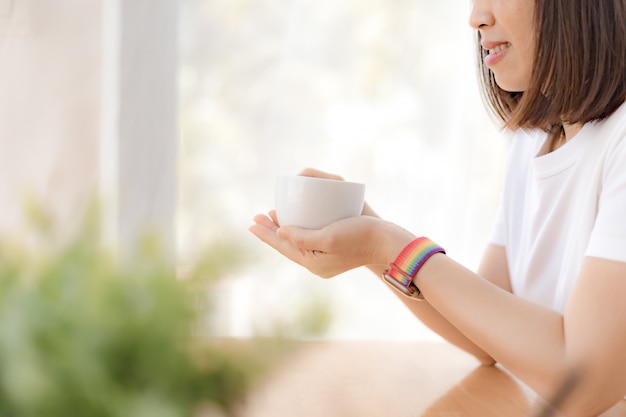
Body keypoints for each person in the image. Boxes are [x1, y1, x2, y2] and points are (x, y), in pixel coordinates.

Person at [249, 0, 626, 415]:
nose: (476, 18)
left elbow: (586, 383)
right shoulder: (532, 143)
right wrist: (369, 237)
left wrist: (389, 245)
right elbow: (484, 336)